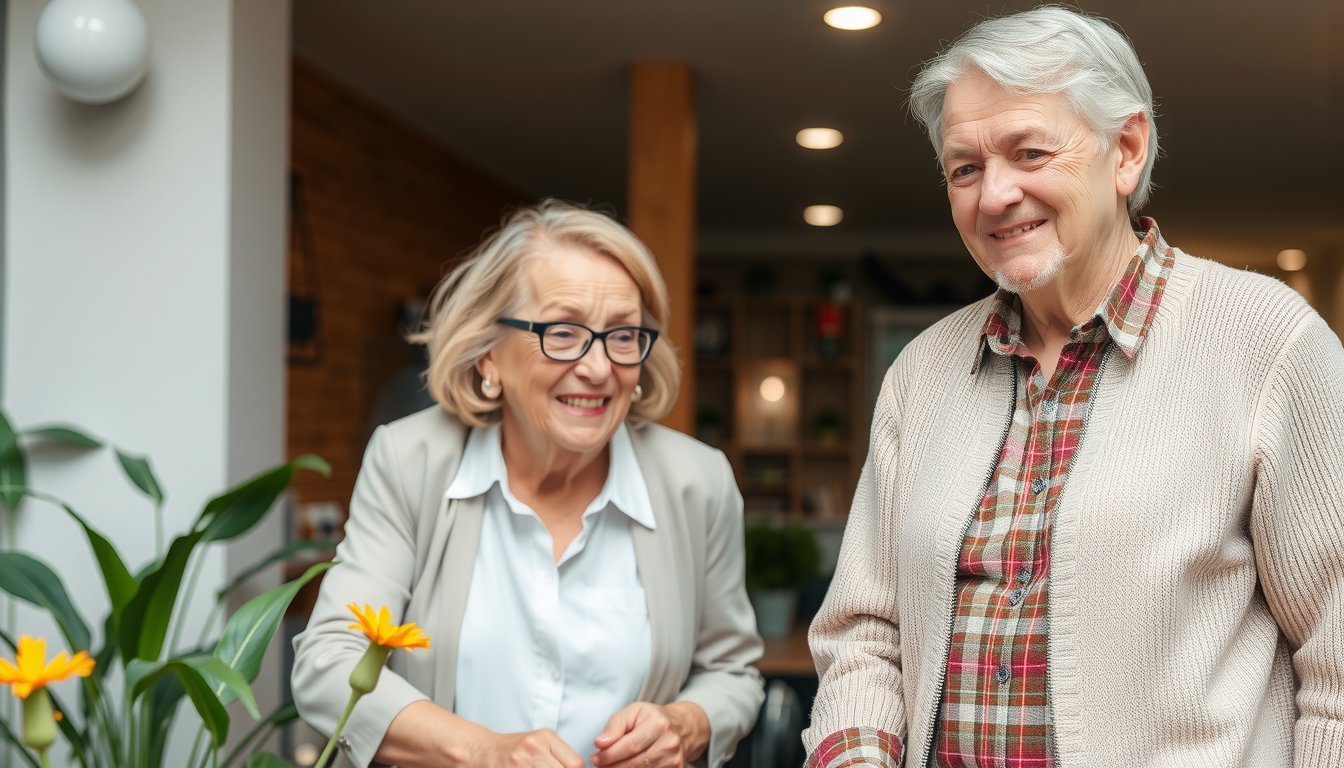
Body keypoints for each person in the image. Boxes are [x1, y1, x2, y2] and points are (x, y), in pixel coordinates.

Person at [804, 7, 1344, 768]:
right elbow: (865, 632)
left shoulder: (1268, 343)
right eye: (965, 168)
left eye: (1029, 152)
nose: (994, 195)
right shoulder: (919, 375)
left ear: (1125, 150)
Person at [293, 200, 763, 768]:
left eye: (622, 336)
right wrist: (484, 752)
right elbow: (329, 663)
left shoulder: (697, 482)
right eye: (563, 332)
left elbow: (733, 673)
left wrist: (684, 726)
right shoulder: (410, 460)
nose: (597, 368)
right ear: (490, 354)